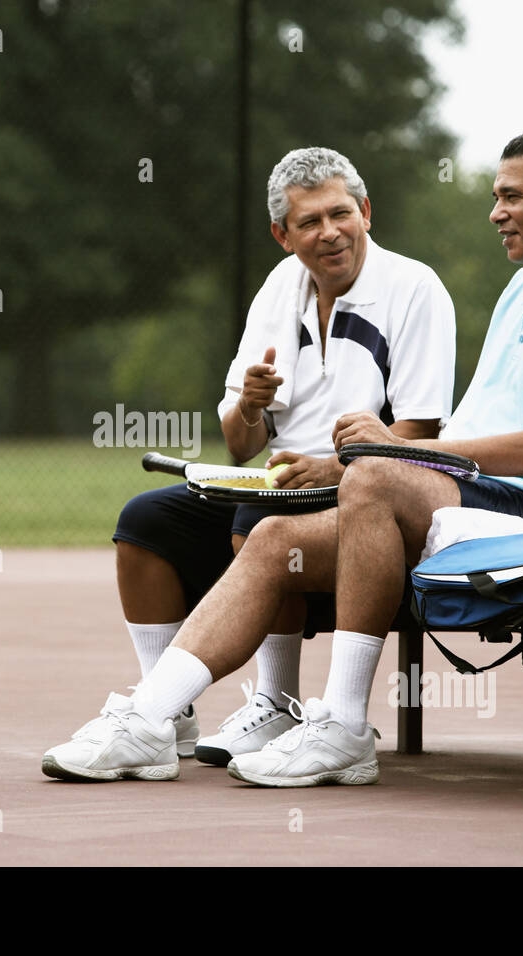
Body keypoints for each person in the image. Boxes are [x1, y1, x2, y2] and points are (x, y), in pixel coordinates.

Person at [43, 128, 523, 786]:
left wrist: (401, 450)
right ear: (284, 233)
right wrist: (378, 450)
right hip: (462, 494)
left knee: (371, 471)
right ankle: (151, 720)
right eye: (494, 195)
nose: (495, 211)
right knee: (273, 535)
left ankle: (340, 727)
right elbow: (256, 434)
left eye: (511, 196)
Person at [93, 146, 456, 770]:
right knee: (145, 523)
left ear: (366, 212)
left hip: (368, 496)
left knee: (257, 521)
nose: (330, 232)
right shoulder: (278, 288)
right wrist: (254, 407)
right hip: (278, 483)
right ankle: (169, 717)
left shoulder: (415, 288)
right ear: (281, 235)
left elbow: (420, 435)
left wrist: (340, 469)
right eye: (309, 222)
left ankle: (276, 701)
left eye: (340, 213)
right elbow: (240, 442)